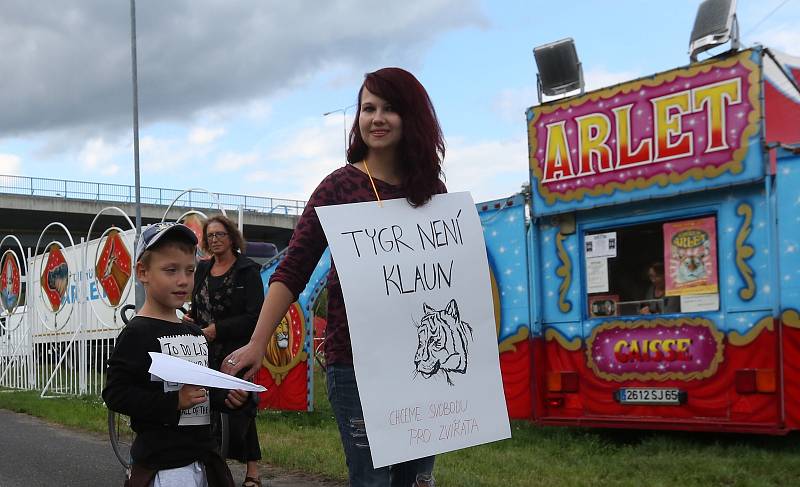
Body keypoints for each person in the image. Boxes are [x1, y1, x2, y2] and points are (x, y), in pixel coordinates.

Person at [222, 67, 445, 487]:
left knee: (418, 481)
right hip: (355, 364)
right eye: (368, 108)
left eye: (390, 108)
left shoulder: (433, 194)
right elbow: (293, 269)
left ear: (411, 117)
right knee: (373, 480)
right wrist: (257, 341)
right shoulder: (338, 188)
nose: (377, 118)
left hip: (421, 364)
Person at [103, 223, 247, 487]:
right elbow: (115, 394)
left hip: (205, 459)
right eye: (171, 270)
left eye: (190, 270)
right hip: (163, 465)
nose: (183, 280)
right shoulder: (137, 333)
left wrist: (228, 396)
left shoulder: (195, 333)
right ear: (142, 272)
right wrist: (173, 402)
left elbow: (206, 387)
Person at [187, 215, 265, 487]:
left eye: (220, 234)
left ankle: (252, 471)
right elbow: (198, 307)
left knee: (240, 405)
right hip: (205, 350)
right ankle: (212, 465)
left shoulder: (248, 271)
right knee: (206, 405)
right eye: (210, 236)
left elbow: (255, 316)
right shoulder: (203, 270)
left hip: (238, 350)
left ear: (231, 237)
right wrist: (191, 320)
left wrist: (217, 329)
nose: (214, 240)